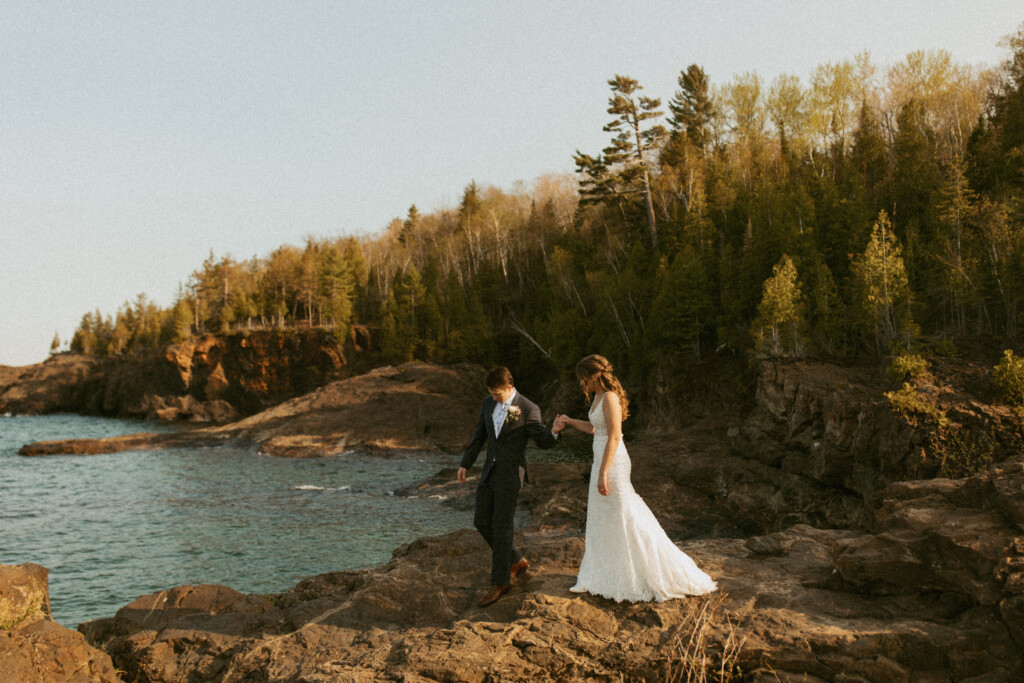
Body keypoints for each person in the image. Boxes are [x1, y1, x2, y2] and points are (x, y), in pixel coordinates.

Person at [554, 354, 716, 602]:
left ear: (595, 375)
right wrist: (570, 422)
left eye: (583, 378)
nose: (581, 383)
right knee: (601, 516)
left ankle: (640, 571)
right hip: (601, 458)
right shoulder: (597, 397)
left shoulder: (609, 397)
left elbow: (615, 436)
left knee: (623, 514)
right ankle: (596, 575)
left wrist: (604, 472)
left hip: (613, 462)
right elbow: (596, 429)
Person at [458, 366, 561, 607]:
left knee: (502, 526)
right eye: (491, 394)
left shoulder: (528, 408)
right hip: (489, 472)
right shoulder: (487, 404)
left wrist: (555, 432)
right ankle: (515, 560)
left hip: (511, 474)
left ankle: (500, 581)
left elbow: (541, 439)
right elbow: (479, 437)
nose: (493, 398)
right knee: (481, 521)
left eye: (497, 394)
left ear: (509, 387)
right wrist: (465, 463)